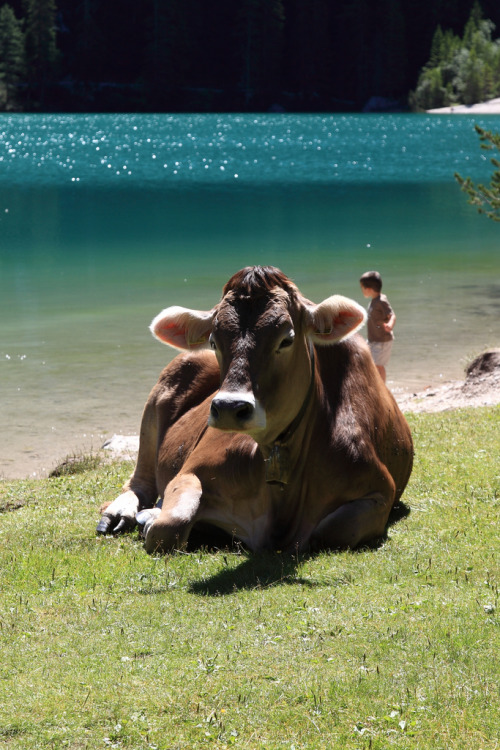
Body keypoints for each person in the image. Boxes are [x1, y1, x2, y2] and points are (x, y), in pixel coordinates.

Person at [359, 271, 396, 383]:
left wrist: (390, 324)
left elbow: (392, 315)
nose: (362, 290)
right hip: (374, 339)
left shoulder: (381, 301)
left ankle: (381, 388)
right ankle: (375, 385)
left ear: (369, 289)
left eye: (362, 288)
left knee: (378, 366)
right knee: (367, 361)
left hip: (382, 341)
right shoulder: (375, 301)